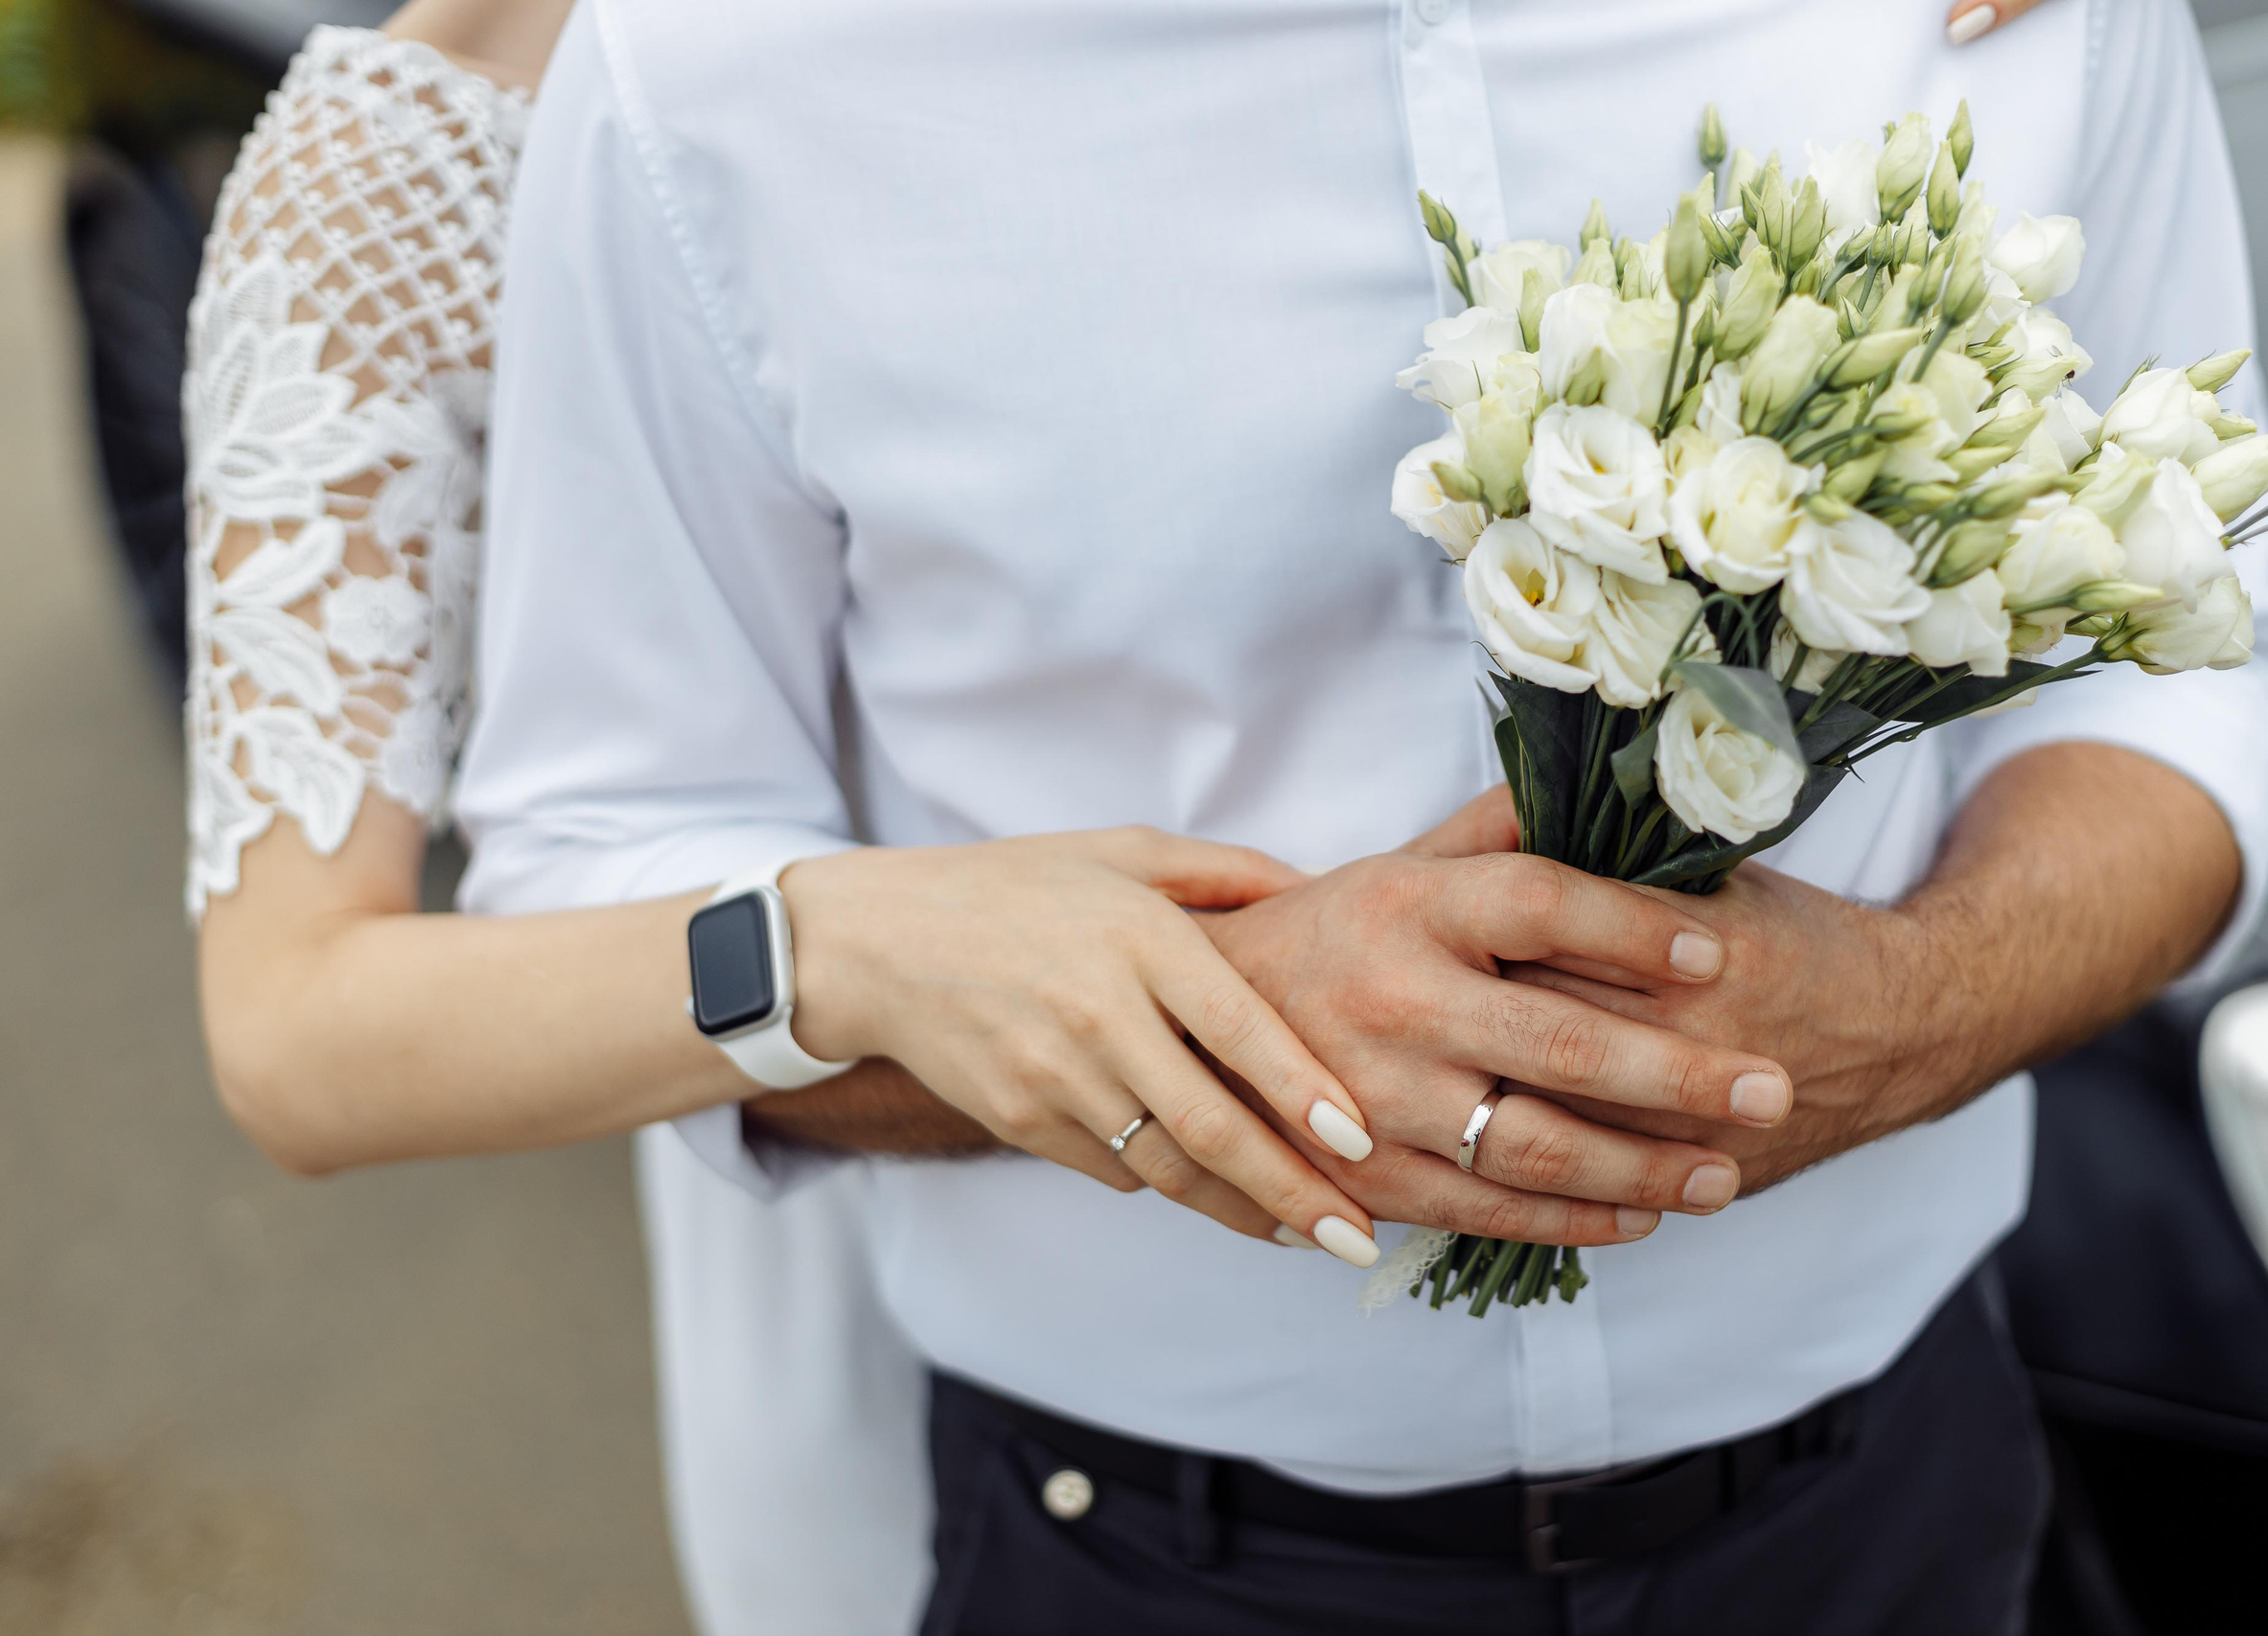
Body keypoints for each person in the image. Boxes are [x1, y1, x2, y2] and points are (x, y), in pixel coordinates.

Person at [183, 2, 2081, 1632]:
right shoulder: (499, 134)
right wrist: (869, 950)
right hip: (880, 1107)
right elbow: (311, 1018)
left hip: (1826, 1428)